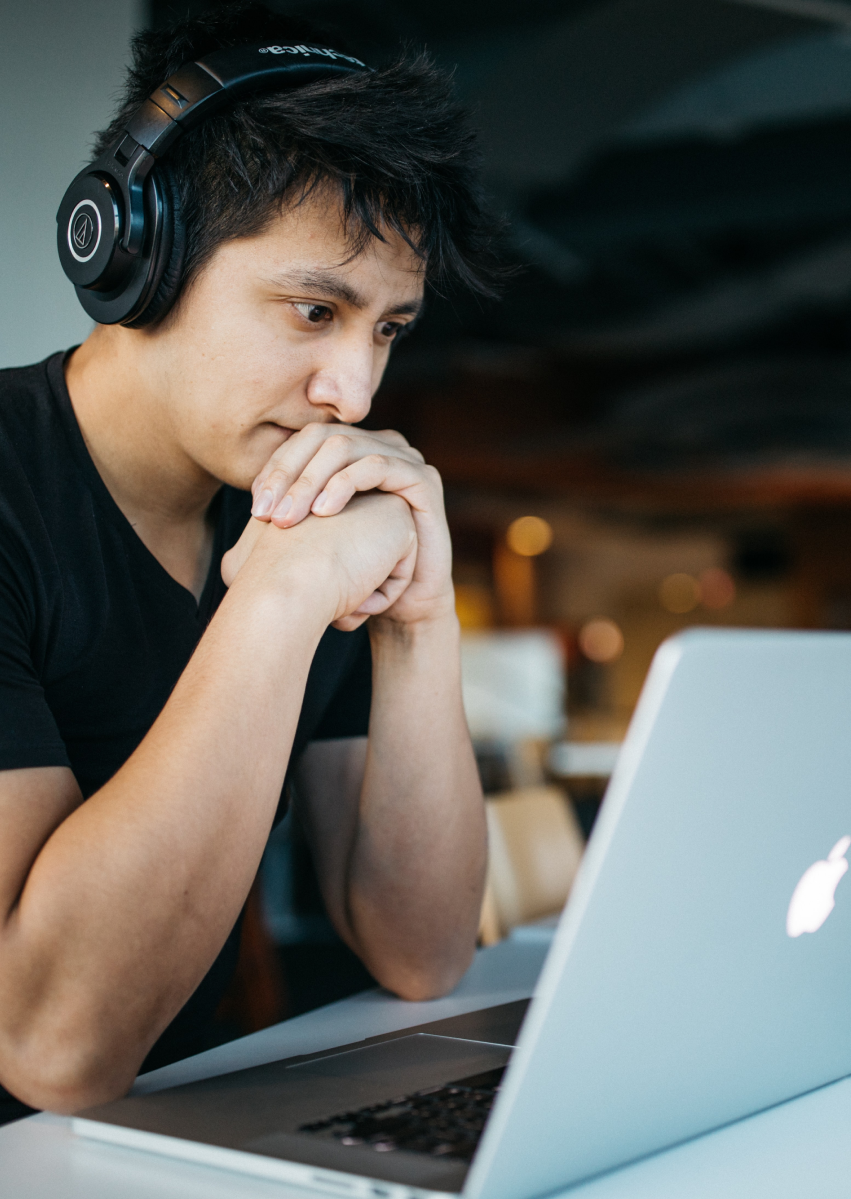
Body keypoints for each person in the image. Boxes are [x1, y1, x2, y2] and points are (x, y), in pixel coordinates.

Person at [0, 4, 501, 1122]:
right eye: (314, 309)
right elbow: (51, 1043)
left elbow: (421, 951)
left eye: (387, 329)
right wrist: (276, 597)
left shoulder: (293, 508)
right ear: (138, 255)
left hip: (173, 1136)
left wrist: (421, 621)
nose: (356, 394)